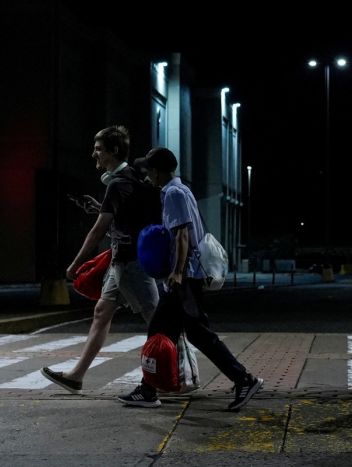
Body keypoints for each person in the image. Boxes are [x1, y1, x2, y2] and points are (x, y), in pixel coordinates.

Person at [118, 147, 263, 410]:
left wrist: (177, 272)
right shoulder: (180, 190)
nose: (146, 174)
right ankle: (148, 389)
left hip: (184, 278)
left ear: (157, 171)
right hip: (186, 276)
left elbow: (182, 235)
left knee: (196, 333)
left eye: (149, 169)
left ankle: (244, 379)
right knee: (162, 330)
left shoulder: (173, 193)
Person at [41, 125, 162, 393]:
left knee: (158, 321)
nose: (93, 154)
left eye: (98, 150)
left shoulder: (118, 184)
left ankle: (181, 373)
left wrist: (74, 264)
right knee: (101, 312)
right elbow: (128, 218)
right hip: (121, 261)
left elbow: (97, 231)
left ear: (114, 151)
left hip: (130, 264)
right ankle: (76, 375)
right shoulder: (128, 179)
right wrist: (101, 209)